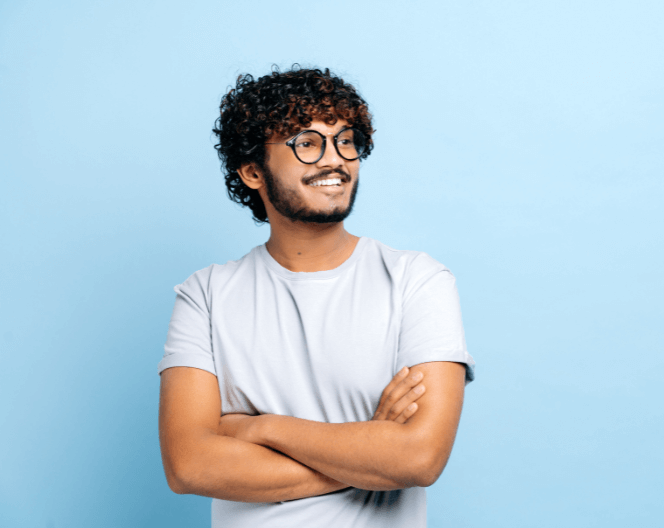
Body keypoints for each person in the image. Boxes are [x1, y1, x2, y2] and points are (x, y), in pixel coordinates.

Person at [157, 66, 476, 528]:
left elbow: (419, 459)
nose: (336, 159)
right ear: (252, 172)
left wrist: (258, 427)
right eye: (307, 143)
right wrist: (370, 449)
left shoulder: (417, 280)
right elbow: (189, 466)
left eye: (345, 140)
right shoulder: (204, 295)